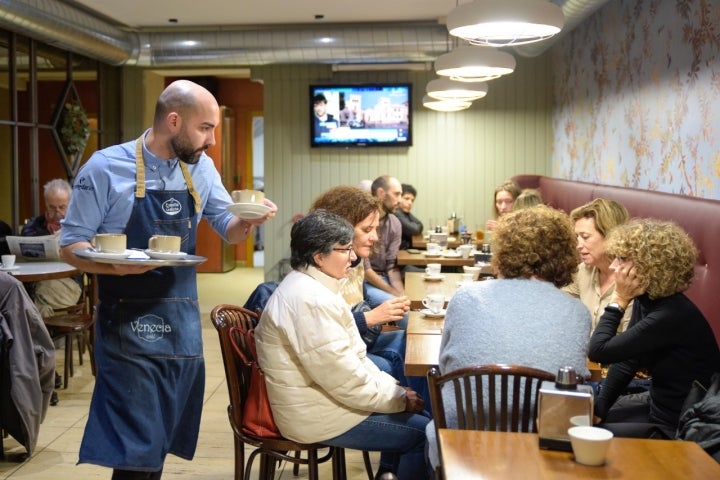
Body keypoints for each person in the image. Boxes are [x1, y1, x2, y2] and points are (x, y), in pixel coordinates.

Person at [59, 79, 277, 479]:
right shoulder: (105, 166)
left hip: (181, 324)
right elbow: (70, 246)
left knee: (159, 439)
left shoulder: (201, 168)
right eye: (205, 128)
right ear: (173, 121)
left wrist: (249, 222)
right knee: (135, 446)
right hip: (126, 325)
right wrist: (114, 267)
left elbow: (226, 226)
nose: (211, 141)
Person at [255, 210, 430, 480]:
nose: (353, 257)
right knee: (426, 435)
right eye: (345, 249)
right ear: (319, 256)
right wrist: (397, 399)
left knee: (421, 415)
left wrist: (395, 390)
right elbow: (343, 379)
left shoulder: (314, 285)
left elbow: (353, 361)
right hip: (315, 414)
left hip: (324, 400)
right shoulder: (309, 300)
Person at [426, 205, 591, 470]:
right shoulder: (579, 313)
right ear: (564, 256)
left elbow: (446, 368)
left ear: (505, 250)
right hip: (543, 448)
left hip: (459, 440)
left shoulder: (466, 296)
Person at [588, 219, 720, 439]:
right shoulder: (649, 299)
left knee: (584, 435)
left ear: (647, 267)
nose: (612, 266)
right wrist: (600, 409)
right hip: (657, 403)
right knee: (584, 417)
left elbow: (599, 350)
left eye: (621, 259)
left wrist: (619, 299)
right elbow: (627, 360)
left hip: (680, 423)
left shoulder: (671, 315)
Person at [310, 186, 410, 383]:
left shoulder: (353, 260)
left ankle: (429, 410)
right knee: (392, 365)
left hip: (358, 340)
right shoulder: (321, 269)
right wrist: (372, 317)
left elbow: (357, 299)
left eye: (375, 229)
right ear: (340, 226)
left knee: (412, 344)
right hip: (337, 357)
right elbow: (321, 334)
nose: (375, 238)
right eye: (367, 230)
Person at [563, 198, 632, 333]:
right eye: (577, 237)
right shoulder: (584, 270)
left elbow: (628, 345)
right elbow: (559, 302)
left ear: (611, 236)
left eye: (585, 237)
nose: (578, 245)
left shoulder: (631, 280)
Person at [21, 179, 82, 319]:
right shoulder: (33, 227)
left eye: (62, 207)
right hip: (34, 279)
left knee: (25, 299)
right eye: (52, 207)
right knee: (40, 307)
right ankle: (45, 337)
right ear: (45, 204)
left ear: (70, 205)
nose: (57, 212)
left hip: (68, 282)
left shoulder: (78, 227)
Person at [364, 175, 404, 306]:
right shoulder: (361, 220)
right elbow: (365, 270)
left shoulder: (395, 223)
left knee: (406, 303)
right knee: (400, 307)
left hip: (385, 278)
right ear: (381, 193)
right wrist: (394, 293)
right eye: (396, 194)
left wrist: (401, 294)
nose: (400, 200)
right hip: (364, 280)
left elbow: (391, 266)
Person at [395, 183, 423, 250]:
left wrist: (416, 226)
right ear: (399, 198)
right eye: (407, 198)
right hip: (401, 253)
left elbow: (420, 224)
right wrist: (415, 226)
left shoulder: (405, 213)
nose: (410, 203)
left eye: (412, 200)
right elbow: (415, 230)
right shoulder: (396, 213)